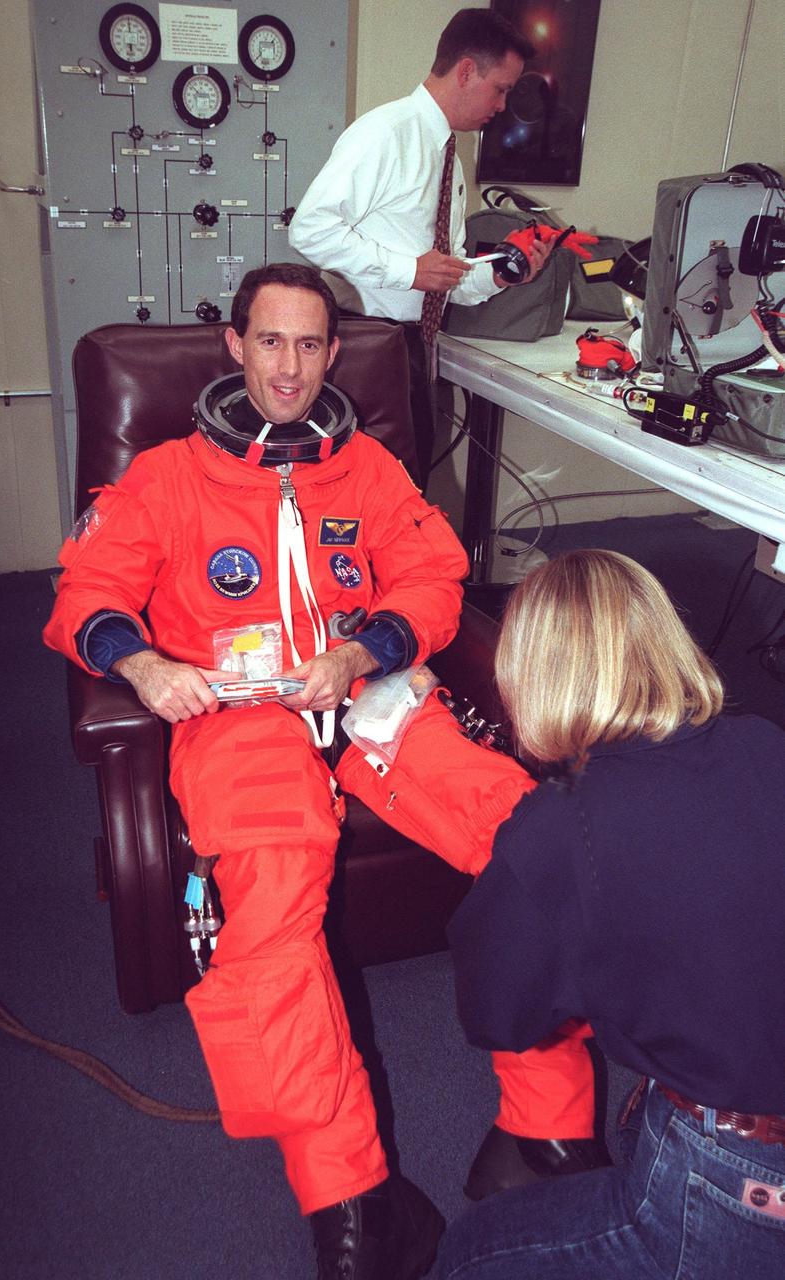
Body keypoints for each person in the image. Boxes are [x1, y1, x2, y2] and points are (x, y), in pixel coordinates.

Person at [43, 262, 593, 1279]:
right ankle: (348, 1205)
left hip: (368, 698)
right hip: (237, 716)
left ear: (333, 354)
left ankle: (549, 1123)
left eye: (308, 345)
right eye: (269, 342)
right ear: (234, 345)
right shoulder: (166, 476)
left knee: (525, 834)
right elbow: (85, 590)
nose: (288, 368)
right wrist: (145, 661)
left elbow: (433, 575)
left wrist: (363, 650)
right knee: (271, 911)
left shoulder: (369, 470)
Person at [436, 548, 785, 1279]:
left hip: (740, 1179)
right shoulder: (766, 744)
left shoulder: (559, 828)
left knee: (473, 1250)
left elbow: (497, 1017)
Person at [288, 8, 550, 481]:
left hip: (414, 347)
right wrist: (408, 271)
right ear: (467, 70)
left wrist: (503, 270)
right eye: (502, 89)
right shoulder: (386, 133)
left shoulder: (445, 150)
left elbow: (444, 277)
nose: (503, 104)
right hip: (365, 347)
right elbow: (310, 229)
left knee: (410, 491)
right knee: (368, 501)